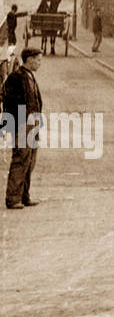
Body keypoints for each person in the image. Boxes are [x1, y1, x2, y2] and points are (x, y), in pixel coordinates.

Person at [3, 48, 43, 209]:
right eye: (38, 60)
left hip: (32, 125)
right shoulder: (16, 77)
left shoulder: (29, 76)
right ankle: (13, 198)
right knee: (20, 160)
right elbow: (9, 102)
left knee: (30, 161)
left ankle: (24, 196)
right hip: (22, 124)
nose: (40, 63)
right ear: (29, 59)